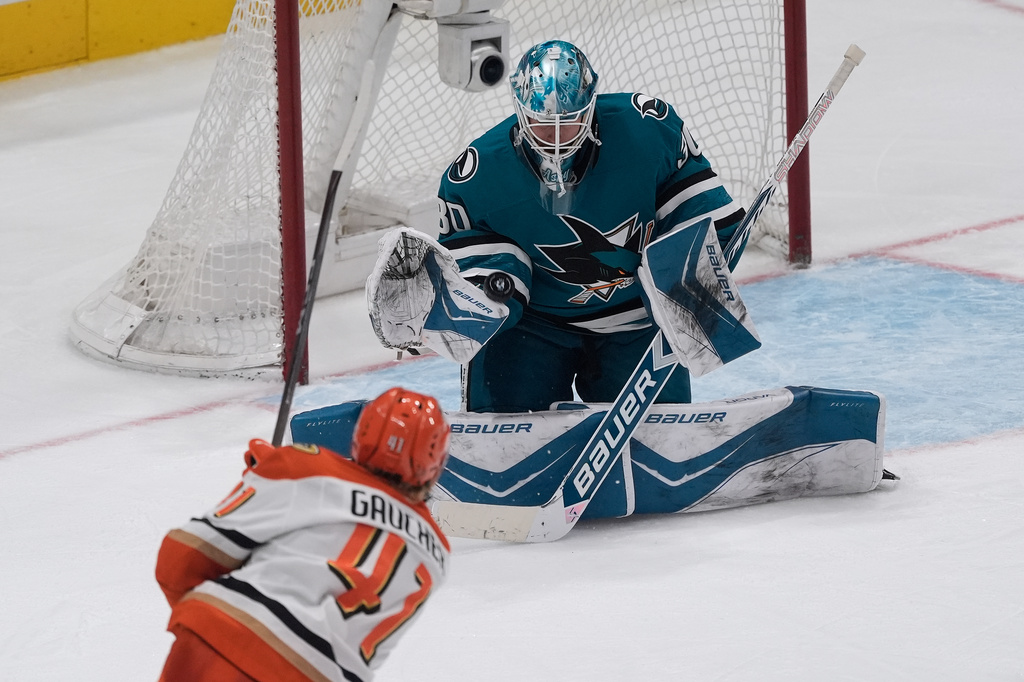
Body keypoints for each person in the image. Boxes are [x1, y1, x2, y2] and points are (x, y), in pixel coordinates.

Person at [436, 40, 748, 413]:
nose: (553, 138)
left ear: (589, 108)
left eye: (567, 124)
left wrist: (693, 274)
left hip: (636, 322)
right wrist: (439, 308)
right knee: (504, 438)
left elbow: (707, 221)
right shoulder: (476, 177)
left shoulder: (647, 133)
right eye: (540, 123)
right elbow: (467, 280)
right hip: (534, 328)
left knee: (660, 439)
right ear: (519, 110)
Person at [154, 387, 451, 682]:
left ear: (361, 435)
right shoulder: (437, 552)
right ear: (436, 462)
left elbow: (182, 558)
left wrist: (272, 477)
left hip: (222, 642)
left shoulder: (304, 467)